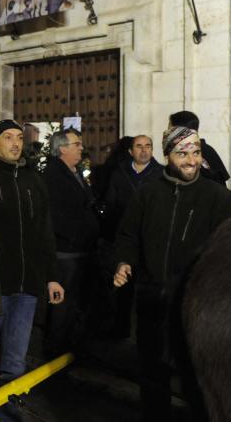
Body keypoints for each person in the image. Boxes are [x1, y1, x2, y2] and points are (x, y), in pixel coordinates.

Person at [113, 126, 231, 421]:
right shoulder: (147, 193)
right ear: (168, 155)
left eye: (195, 153)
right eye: (182, 153)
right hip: (151, 302)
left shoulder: (218, 197)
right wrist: (123, 262)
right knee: (151, 375)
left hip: (193, 307)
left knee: (195, 378)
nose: (191, 160)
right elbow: (128, 236)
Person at [0, 119, 64, 421]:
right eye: (7, 137)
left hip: (28, 285)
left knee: (15, 361)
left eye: (19, 137)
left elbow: (46, 231)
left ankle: (8, 417)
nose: (15, 143)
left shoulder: (33, 180)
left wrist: (51, 276)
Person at [41, 129, 100, 357]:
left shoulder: (74, 172)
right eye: (76, 144)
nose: (81, 147)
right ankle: (55, 354)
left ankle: (70, 350)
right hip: (66, 253)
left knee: (75, 305)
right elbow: (55, 216)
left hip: (81, 251)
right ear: (62, 148)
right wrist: (77, 235)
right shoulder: (53, 176)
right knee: (62, 308)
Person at [103, 135, 164, 338]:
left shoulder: (161, 174)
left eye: (148, 146)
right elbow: (110, 206)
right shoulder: (119, 173)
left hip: (151, 242)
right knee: (122, 290)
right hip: (124, 241)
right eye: (139, 146)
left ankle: (148, 336)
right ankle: (120, 331)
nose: (144, 150)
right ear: (131, 151)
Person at [168, 110, 230, 185]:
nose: (168, 134)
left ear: (180, 131)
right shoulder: (208, 149)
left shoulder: (203, 151)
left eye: (170, 129)